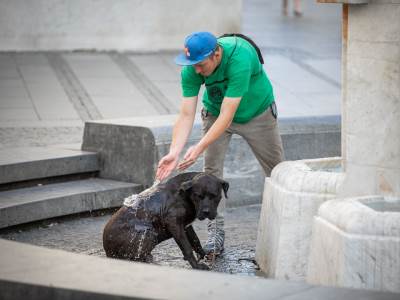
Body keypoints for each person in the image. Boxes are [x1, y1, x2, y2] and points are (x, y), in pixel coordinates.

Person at [156, 31, 284, 258]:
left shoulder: (240, 57)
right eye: (192, 65)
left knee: (279, 174)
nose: (196, 70)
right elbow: (186, 114)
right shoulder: (192, 67)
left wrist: (199, 146)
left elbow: (229, 113)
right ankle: (216, 236)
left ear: (216, 54)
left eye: (200, 64)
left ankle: (285, 230)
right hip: (215, 113)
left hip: (258, 114)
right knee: (210, 176)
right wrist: (174, 153)